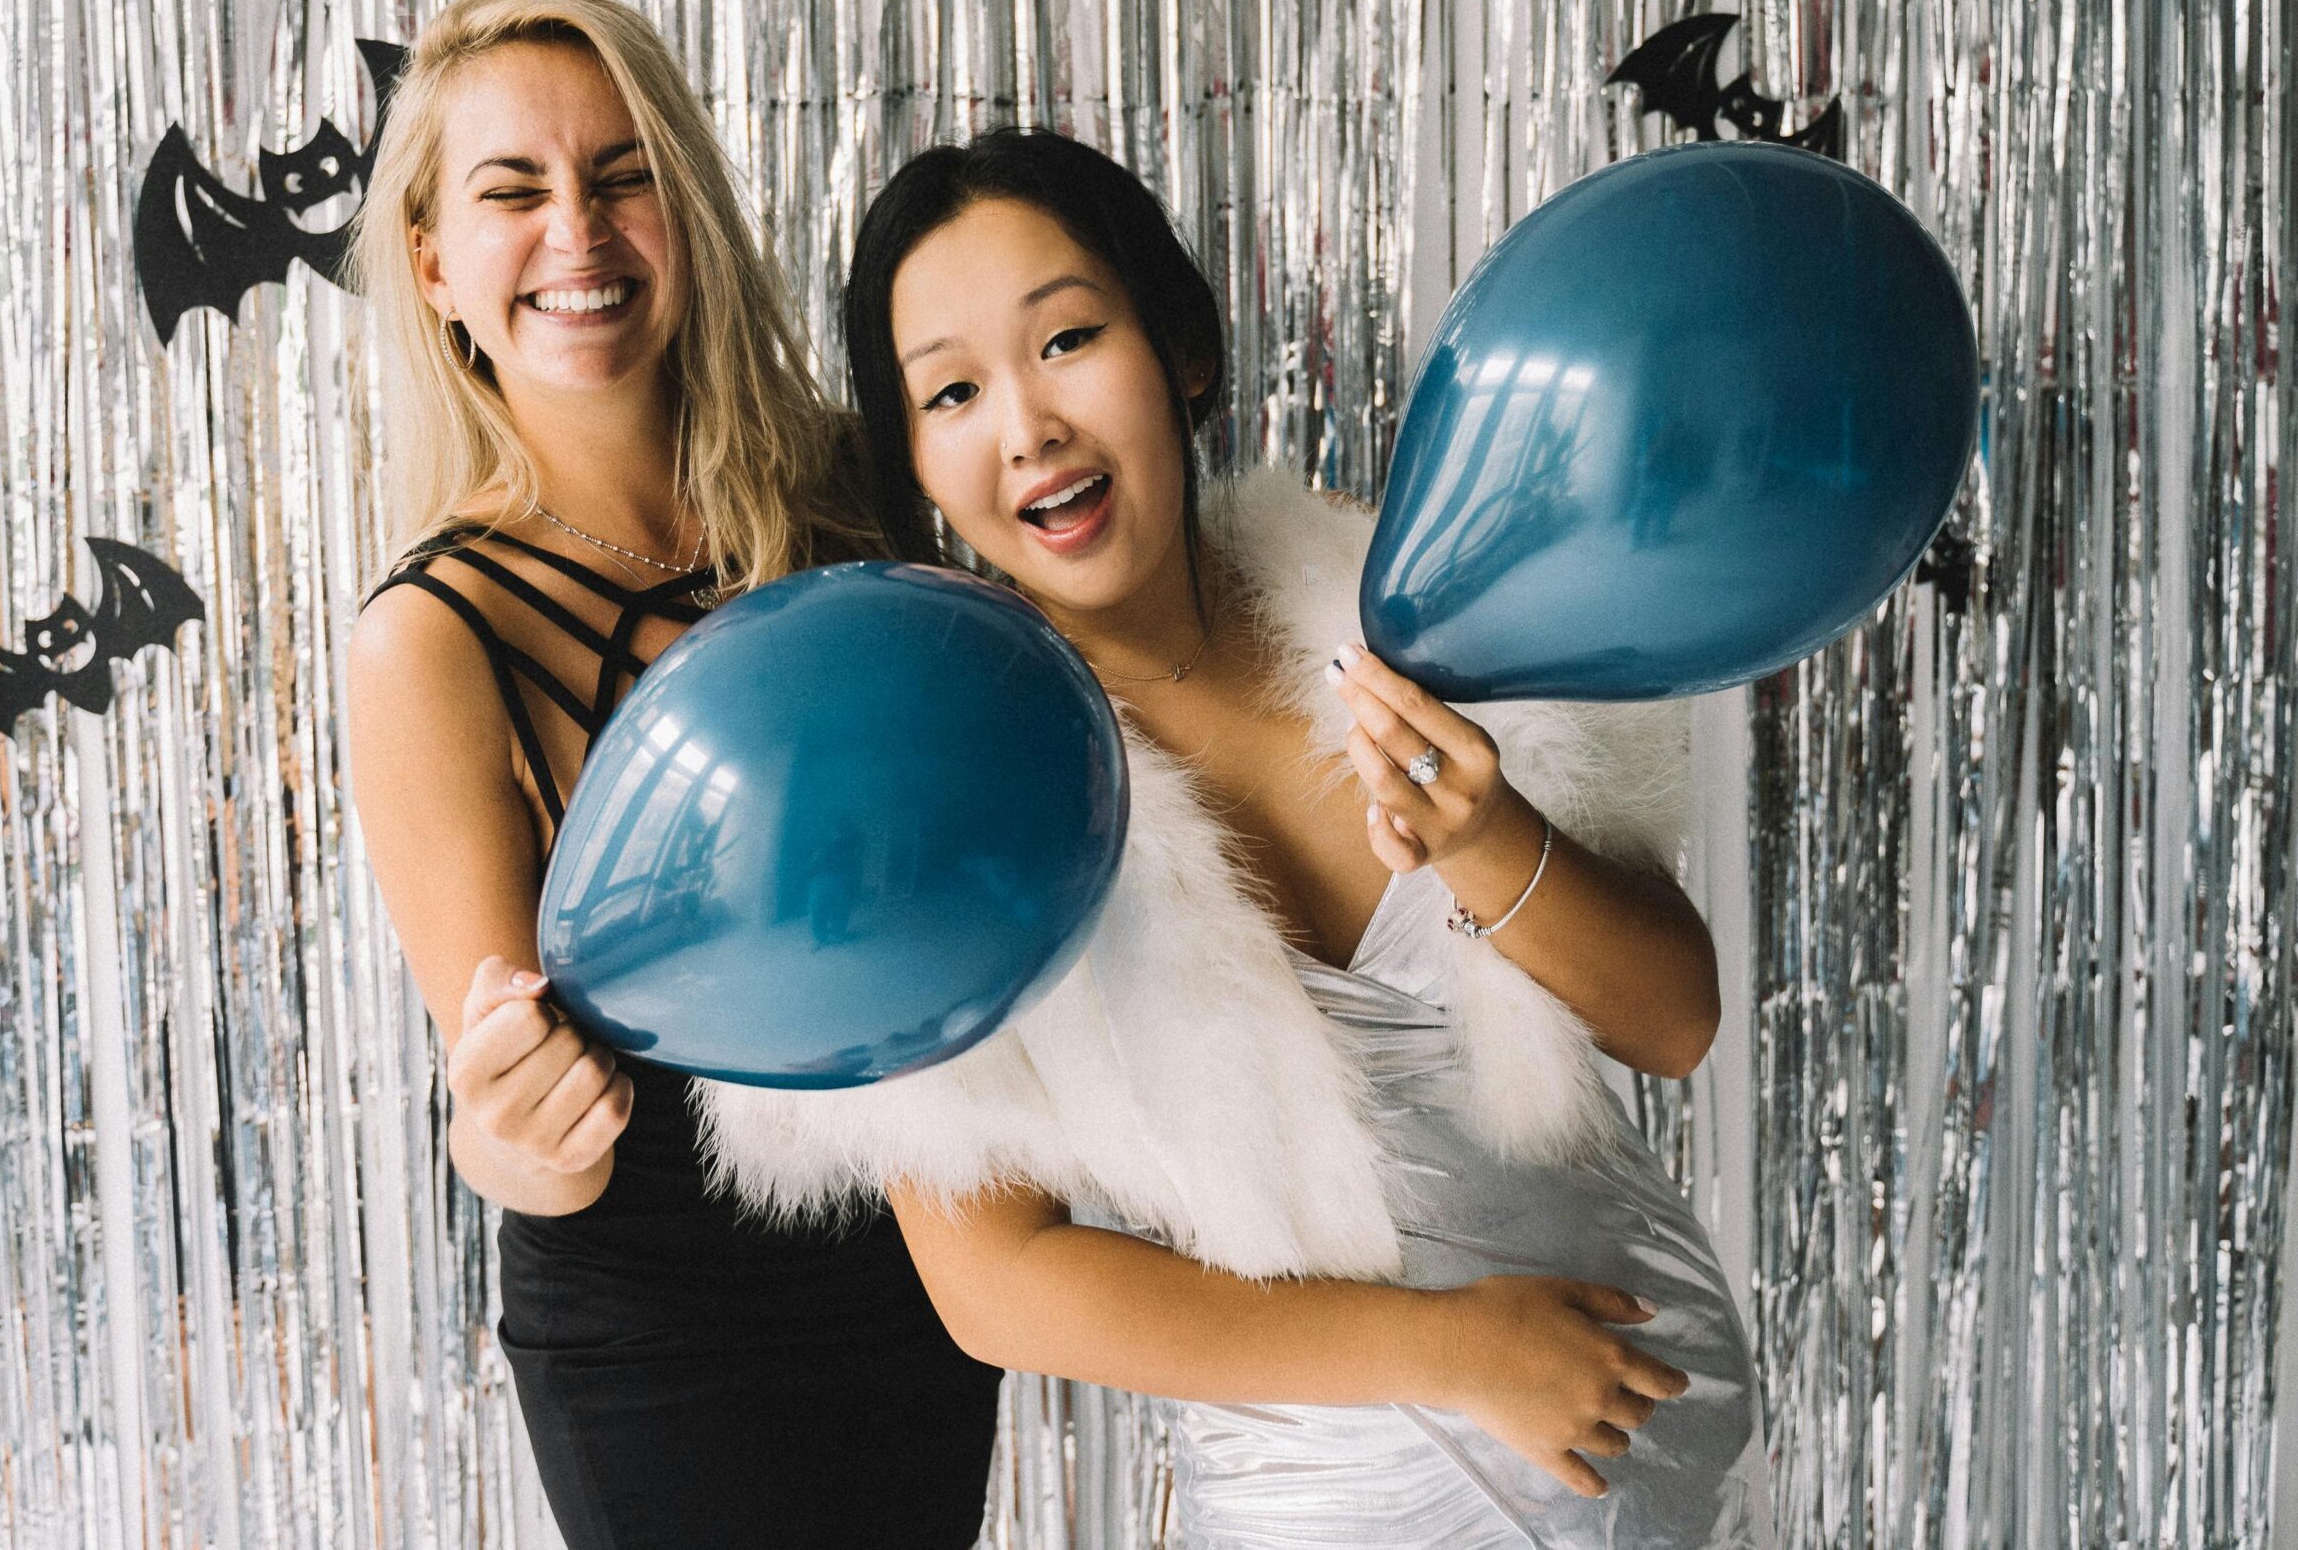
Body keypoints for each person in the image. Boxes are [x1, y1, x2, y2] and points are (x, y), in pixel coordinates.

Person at [697, 127, 1768, 1547]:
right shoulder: (936, 798)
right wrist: (1451, 1349)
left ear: (1181, 347)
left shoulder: (1412, 622)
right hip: (1334, 1504)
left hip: (1672, 1470)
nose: (1028, 425)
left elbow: (1676, 1018)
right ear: (921, 473)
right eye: (953, 391)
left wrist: (1492, 837)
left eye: (1067, 337)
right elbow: (999, 1285)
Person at [343, 0, 1001, 1550]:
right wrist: (508, 1126)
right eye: (512, 192)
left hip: (930, 1254)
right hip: (662, 1323)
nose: (579, 229)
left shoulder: (870, 493)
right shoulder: (432, 639)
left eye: (623, 172)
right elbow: (521, 1129)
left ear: (686, 206)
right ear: (434, 262)